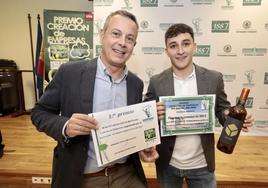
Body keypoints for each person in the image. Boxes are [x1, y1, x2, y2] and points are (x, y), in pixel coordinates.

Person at [31, 10, 156, 188]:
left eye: (129, 38)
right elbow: (39, 113)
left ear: (133, 45)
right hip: (83, 178)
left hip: (126, 175)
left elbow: (129, 129)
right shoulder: (69, 73)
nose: (122, 43)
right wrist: (65, 126)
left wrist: (142, 146)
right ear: (102, 35)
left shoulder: (135, 84)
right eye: (116, 34)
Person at [143, 23, 254, 188]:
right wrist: (152, 113)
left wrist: (231, 117)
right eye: (173, 46)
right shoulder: (156, 82)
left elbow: (221, 109)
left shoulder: (213, 78)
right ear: (167, 51)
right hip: (168, 165)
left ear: (194, 47)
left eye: (186, 44)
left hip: (202, 165)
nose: (180, 51)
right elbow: (145, 117)